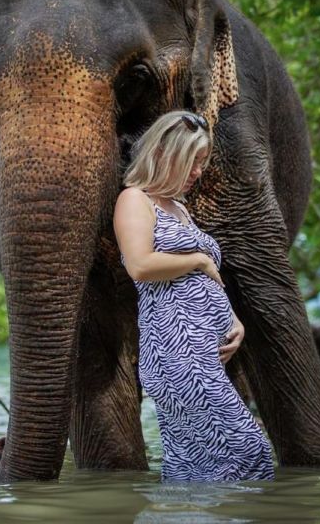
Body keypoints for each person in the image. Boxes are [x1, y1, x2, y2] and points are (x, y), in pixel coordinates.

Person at [114, 109, 275, 482]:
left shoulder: (181, 210)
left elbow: (205, 285)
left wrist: (233, 320)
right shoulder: (135, 200)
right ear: (166, 154)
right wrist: (200, 260)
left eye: (202, 161)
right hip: (174, 352)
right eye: (193, 160)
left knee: (194, 459)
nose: (198, 171)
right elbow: (139, 265)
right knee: (249, 449)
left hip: (201, 352)